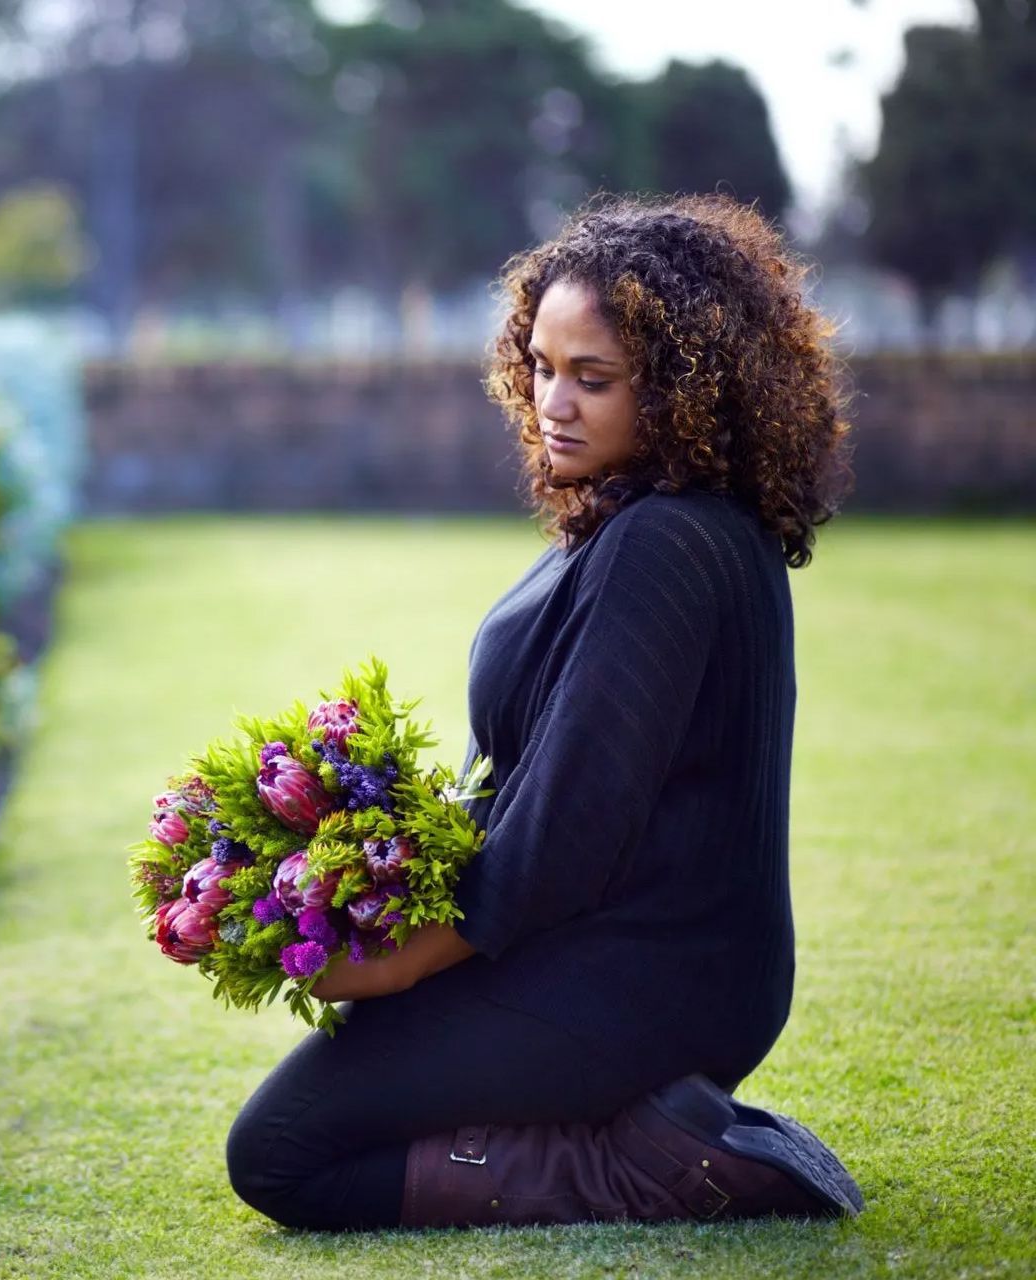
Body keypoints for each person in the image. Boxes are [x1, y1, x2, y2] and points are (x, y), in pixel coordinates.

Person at [224, 193, 864, 1231]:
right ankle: (653, 1124)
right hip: (611, 949)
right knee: (335, 1100)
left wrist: (395, 961)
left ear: (686, 392)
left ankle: (660, 1160)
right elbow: (530, 787)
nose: (553, 400)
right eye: (541, 365)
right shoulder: (630, 520)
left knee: (282, 1152)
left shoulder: (668, 541)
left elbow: (565, 832)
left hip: (655, 971)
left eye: (593, 378)